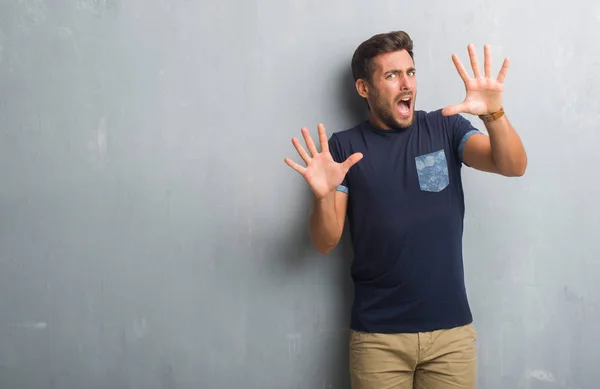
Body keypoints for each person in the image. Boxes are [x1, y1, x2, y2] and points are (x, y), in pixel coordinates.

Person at [284, 30, 527, 389]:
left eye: (410, 72)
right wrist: (323, 196)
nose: (406, 84)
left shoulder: (444, 126)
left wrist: (494, 114)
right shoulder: (345, 146)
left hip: (451, 336)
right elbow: (325, 241)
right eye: (392, 75)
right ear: (364, 88)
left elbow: (512, 165)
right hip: (379, 339)